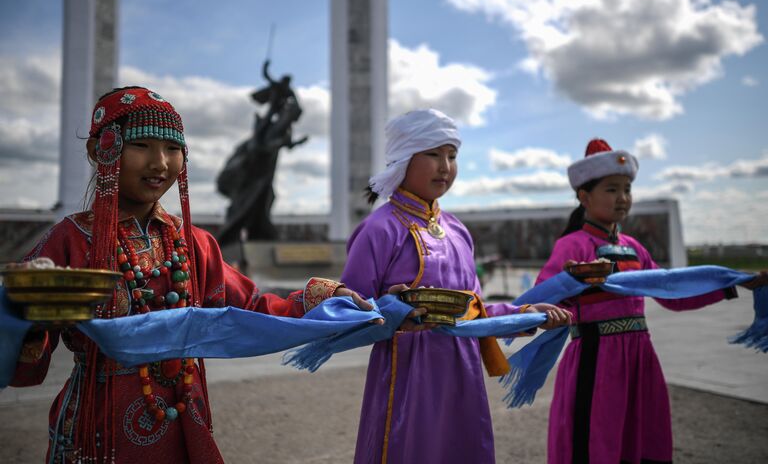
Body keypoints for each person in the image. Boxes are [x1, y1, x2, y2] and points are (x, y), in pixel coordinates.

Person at [8, 86, 373, 464]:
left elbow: (248, 304)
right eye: (141, 146)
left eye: (172, 149)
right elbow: (20, 332)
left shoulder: (191, 241)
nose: (160, 163)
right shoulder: (70, 240)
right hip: (98, 421)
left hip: (183, 412)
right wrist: (33, 324)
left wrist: (323, 300)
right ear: (100, 150)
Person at [341, 109, 571, 464]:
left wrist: (525, 313)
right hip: (407, 374)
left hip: (462, 370)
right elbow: (349, 309)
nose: (445, 165)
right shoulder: (378, 229)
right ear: (403, 160)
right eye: (433, 154)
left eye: (452, 155)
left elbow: (475, 309)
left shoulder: (458, 231)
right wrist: (392, 309)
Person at [537, 138, 765, 464]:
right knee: (596, 441)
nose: (623, 198)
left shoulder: (634, 248)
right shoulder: (572, 246)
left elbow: (671, 293)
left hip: (639, 358)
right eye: (611, 189)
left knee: (638, 439)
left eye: (627, 189)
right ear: (584, 197)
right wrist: (569, 286)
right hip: (596, 358)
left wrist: (734, 284)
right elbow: (544, 296)